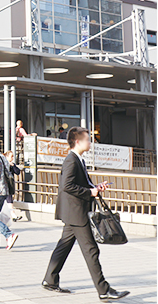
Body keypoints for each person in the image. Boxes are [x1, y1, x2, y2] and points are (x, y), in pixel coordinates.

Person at [42, 127, 129, 301]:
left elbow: (77, 184)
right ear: (78, 142)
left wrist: (95, 188)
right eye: (88, 140)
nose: (90, 142)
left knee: (64, 245)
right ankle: (104, 290)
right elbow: (67, 186)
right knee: (91, 250)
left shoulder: (77, 159)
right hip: (76, 213)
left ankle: (49, 280)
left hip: (74, 212)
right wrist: (90, 193)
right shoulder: (71, 160)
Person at [3, 150, 22, 222]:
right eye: (11, 156)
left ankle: (13, 215)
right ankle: (13, 215)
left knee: (9, 199)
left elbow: (18, 172)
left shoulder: (12, 164)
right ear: (7, 157)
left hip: (9, 185)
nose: (12, 158)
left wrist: (13, 166)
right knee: (8, 200)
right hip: (4, 184)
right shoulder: (3, 164)